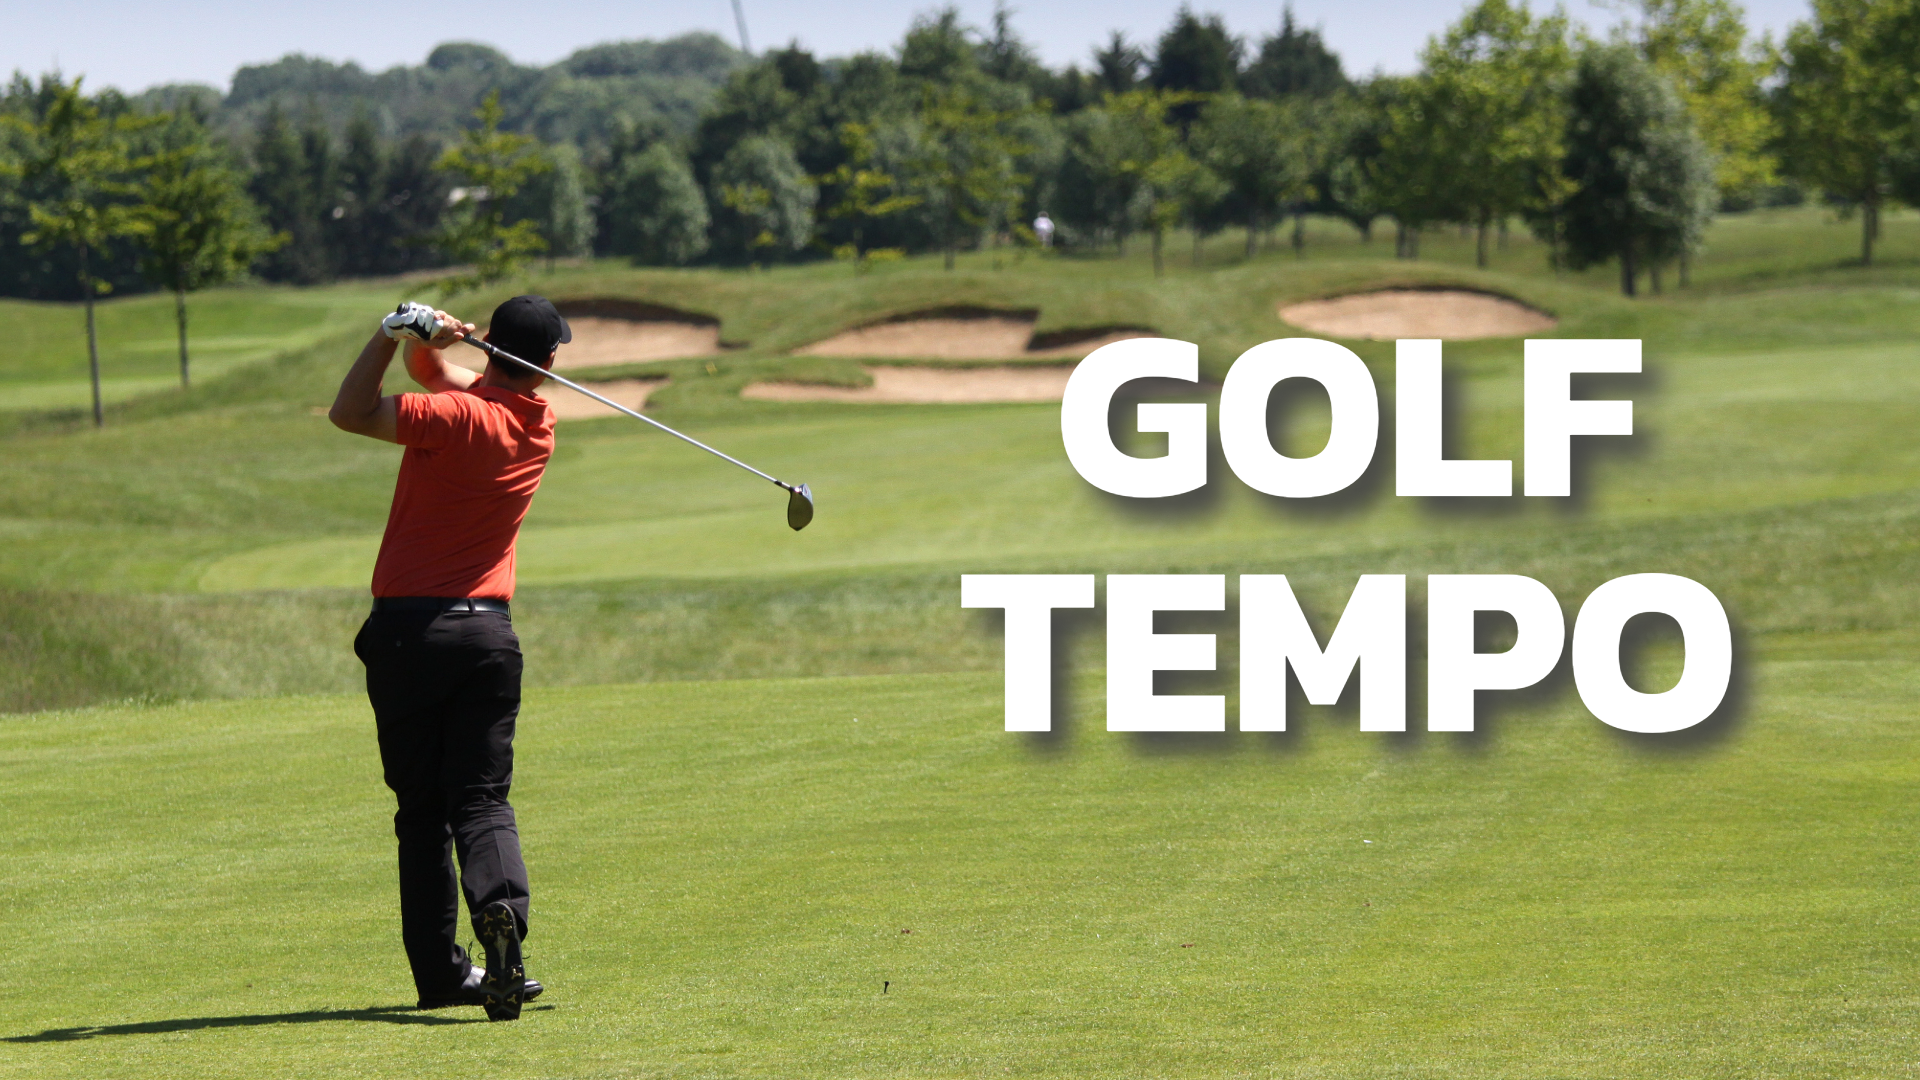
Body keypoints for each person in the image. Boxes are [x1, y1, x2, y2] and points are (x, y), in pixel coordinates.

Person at [328, 295, 573, 1021]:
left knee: (422, 814)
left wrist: (386, 334)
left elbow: (350, 411)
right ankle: (500, 916)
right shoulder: (538, 424)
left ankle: (440, 972)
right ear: (549, 364)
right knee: (482, 800)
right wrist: (434, 338)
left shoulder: (449, 419)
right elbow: (437, 370)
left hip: (409, 635)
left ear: (493, 346)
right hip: (488, 639)